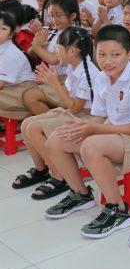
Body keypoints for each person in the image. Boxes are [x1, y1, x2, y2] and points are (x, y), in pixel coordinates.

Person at [44, 25, 130, 238]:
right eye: (101, 54)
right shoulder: (102, 78)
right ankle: (81, 194)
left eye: (115, 55)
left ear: (129, 53)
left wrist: (93, 129)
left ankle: (119, 209)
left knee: (92, 146)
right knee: (57, 139)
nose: (107, 61)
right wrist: (82, 127)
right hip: (114, 130)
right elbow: (99, 116)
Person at [14, 27, 102, 200]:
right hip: (76, 113)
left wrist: (54, 84)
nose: (55, 52)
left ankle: (59, 176)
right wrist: (52, 82)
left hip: (90, 118)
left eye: (59, 48)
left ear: (72, 51)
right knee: (27, 124)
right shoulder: (74, 66)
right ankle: (41, 169)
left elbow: (75, 108)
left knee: (34, 128)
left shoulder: (89, 73)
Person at [0, 11, 36, 121]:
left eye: (3, 29)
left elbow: (0, 84)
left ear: (11, 34)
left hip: (20, 92)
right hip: (9, 88)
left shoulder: (10, 54)